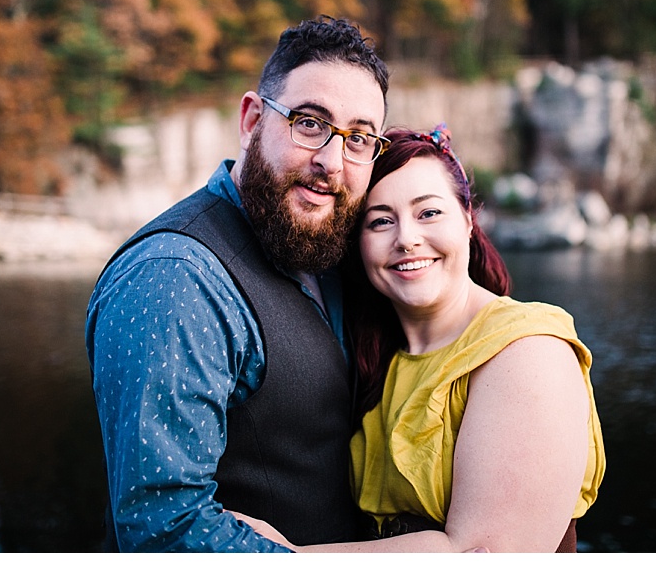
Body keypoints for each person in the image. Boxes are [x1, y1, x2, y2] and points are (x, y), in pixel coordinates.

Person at [84, 16, 391, 552]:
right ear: (252, 120)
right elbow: (166, 530)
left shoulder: (323, 249)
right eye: (309, 123)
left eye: (359, 138)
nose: (331, 162)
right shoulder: (176, 278)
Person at [234, 125, 606, 552]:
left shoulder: (526, 352)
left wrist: (287, 556)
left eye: (428, 213)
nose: (406, 239)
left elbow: (482, 553)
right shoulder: (378, 360)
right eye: (380, 221)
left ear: (468, 220)